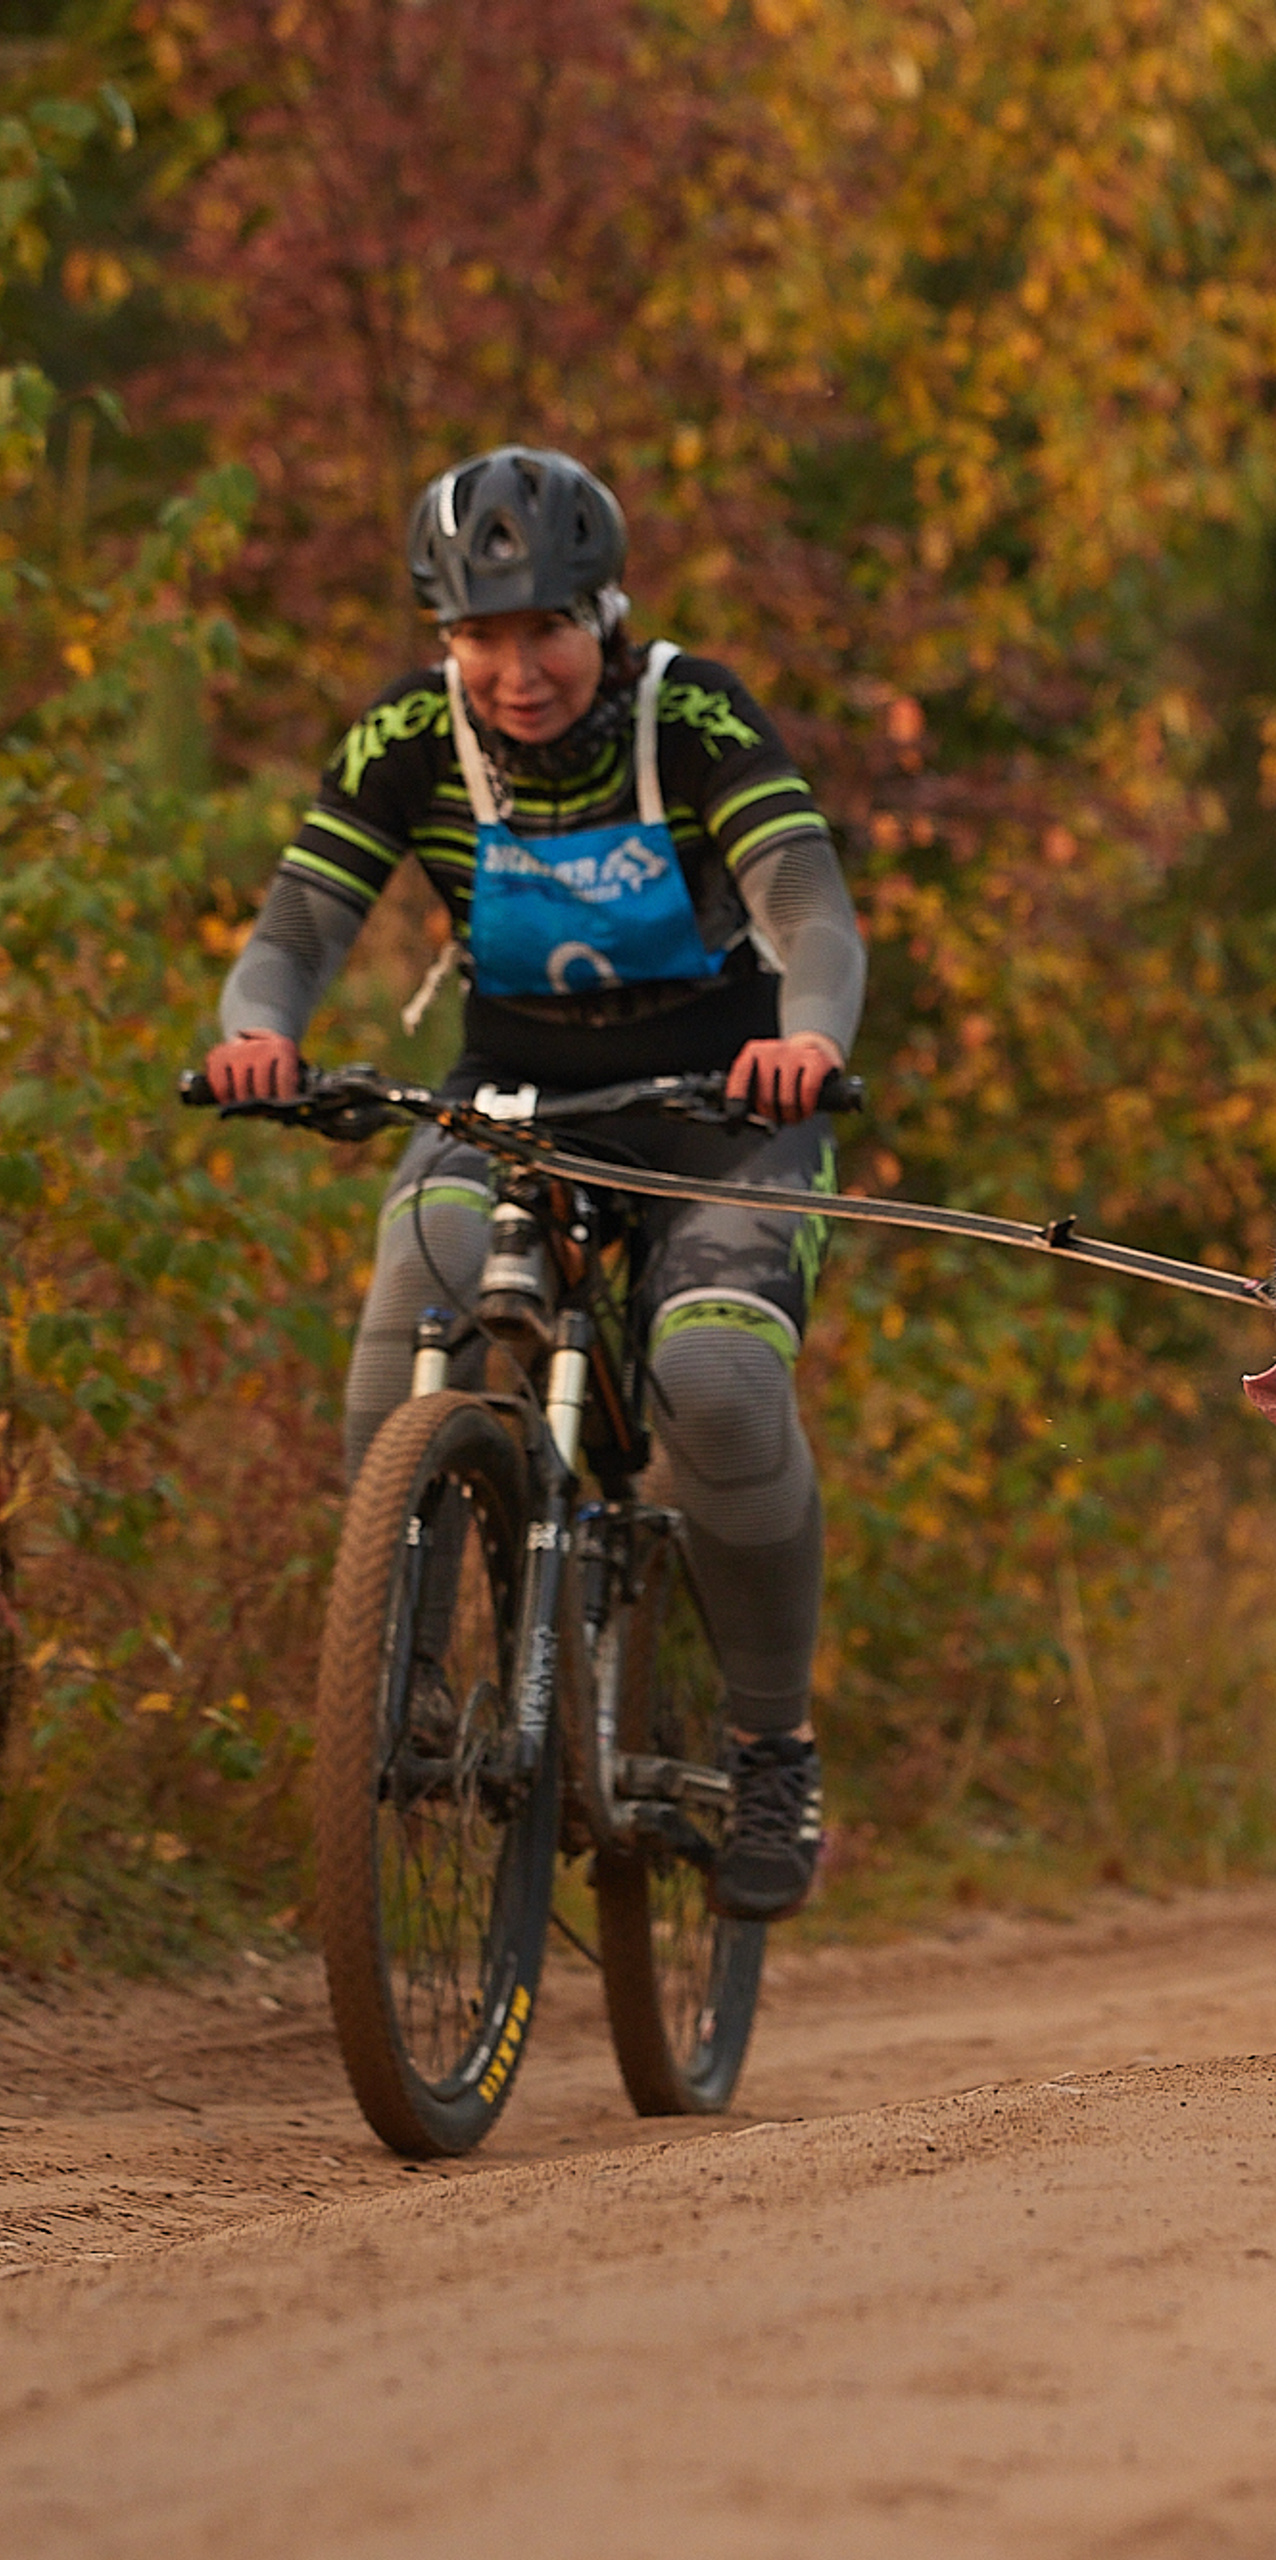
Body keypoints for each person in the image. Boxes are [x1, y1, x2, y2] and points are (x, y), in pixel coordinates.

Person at [203, 444, 865, 1922]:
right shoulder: (406, 739)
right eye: (480, 635)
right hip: (512, 1100)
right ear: (443, 639)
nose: (516, 668)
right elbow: (300, 924)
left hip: (724, 1109)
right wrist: (260, 1031)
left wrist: (808, 1040)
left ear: (606, 614)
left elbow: (809, 910)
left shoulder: (687, 712)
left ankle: (771, 1746)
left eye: (546, 628)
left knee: (720, 1384)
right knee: (419, 1275)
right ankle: (410, 1676)